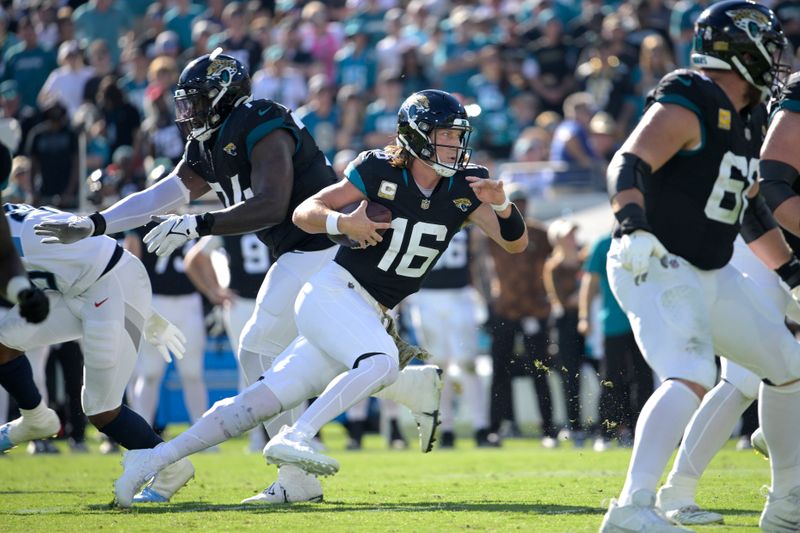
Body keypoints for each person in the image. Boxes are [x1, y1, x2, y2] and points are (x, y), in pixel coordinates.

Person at [34, 50, 443, 506]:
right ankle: (395, 393)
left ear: (226, 94)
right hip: (299, 253)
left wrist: (197, 224)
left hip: (325, 251)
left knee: (260, 349)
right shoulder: (207, 144)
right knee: (285, 355)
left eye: (198, 100)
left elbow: (273, 203)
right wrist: (96, 223)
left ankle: (296, 469)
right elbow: (166, 193)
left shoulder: (259, 119)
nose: (189, 112)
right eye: (185, 102)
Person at [111, 88, 528, 507]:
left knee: (257, 402)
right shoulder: (379, 169)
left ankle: (155, 459)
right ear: (418, 135)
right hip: (333, 292)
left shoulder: (466, 186)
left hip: (364, 310)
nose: (456, 145)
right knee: (379, 360)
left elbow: (514, 245)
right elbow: (303, 212)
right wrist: (343, 223)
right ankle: (298, 436)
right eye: (447, 135)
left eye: (459, 136)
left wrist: (504, 204)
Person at [599, 2, 800, 531]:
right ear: (741, 48)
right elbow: (629, 161)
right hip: (657, 259)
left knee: (787, 367)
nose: (778, 58)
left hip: (712, 271)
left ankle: (787, 505)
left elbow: (750, 208)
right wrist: (631, 224)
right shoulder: (693, 96)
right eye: (768, 46)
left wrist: (793, 275)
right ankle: (632, 507)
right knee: (691, 372)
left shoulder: (750, 113)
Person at [0, 204, 188, 489]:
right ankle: (36, 418)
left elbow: (104, 254)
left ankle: (172, 468)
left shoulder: (15, 233)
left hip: (110, 285)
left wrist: (141, 309)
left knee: (101, 408)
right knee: (3, 343)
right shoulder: (13, 217)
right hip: (72, 289)